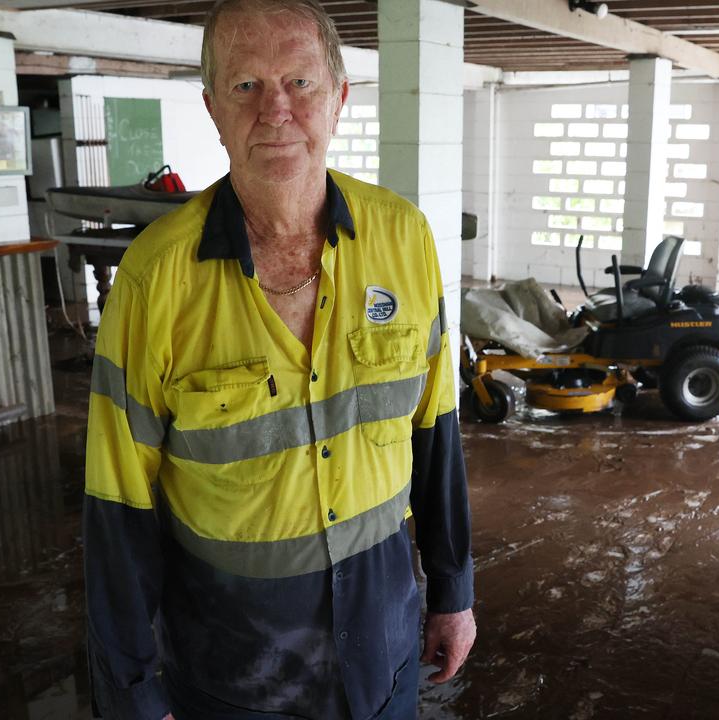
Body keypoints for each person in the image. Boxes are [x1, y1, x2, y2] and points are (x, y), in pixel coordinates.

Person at [82, 1, 476, 718]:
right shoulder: (155, 278)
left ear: (340, 98)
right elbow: (117, 504)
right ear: (212, 107)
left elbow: (435, 433)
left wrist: (454, 595)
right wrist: (133, 688)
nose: (276, 110)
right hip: (234, 675)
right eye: (245, 87)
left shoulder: (405, 239)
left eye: (300, 82)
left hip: (382, 655)